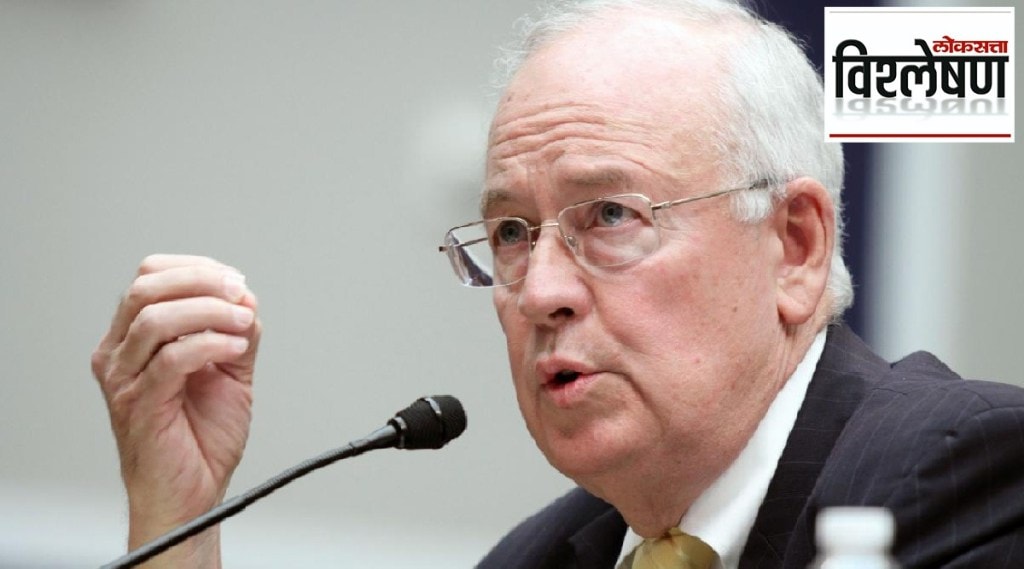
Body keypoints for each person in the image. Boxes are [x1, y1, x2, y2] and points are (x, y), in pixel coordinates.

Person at [92, 1, 1024, 568]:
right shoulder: (541, 559)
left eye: (610, 215)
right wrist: (180, 519)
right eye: (510, 232)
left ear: (794, 245)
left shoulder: (958, 478)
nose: (540, 292)